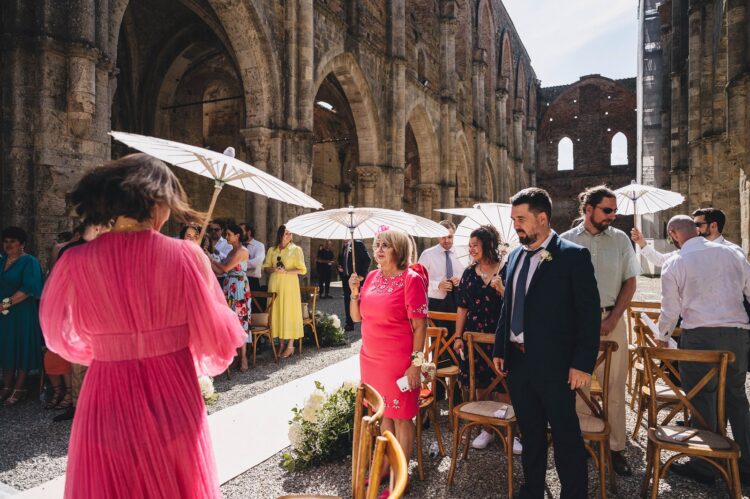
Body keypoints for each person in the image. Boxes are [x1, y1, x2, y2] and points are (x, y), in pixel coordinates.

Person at [39, 153, 246, 498]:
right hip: (171, 388)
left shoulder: (74, 261)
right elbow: (220, 340)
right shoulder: (186, 256)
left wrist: (111, 347)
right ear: (156, 203)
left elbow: (61, 335)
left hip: (106, 387)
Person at [493, 187, 601, 499]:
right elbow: (508, 306)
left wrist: (582, 363)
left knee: (566, 436)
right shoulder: (513, 256)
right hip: (518, 362)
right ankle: (532, 491)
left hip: (556, 365)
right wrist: (500, 348)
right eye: (514, 219)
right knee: (531, 434)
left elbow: (588, 315)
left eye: (521, 219)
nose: (516, 225)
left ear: (542, 218)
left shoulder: (573, 256)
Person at [655, 215, 750, 484]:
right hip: (736, 334)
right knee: (736, 397)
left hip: (699, 336)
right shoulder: (732, 252)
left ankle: (707, 464)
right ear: (695, 230)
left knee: (701, 398)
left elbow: (670, 309)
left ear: (673, 234)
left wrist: (662, 337)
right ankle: (746, 464)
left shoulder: (675, 261)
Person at [561, 185, 640, 476]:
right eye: (608, 210)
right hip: (575, 325)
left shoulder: (620, 240)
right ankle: (582, 442)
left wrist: (612, 319)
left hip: (612, 320)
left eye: (615, 211)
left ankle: (616, 448)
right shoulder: (565, 241)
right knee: (577, 384)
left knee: (614, 384)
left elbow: (630, 282)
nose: (613, 216)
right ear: (588, 209)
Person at [348, 228, 429, 491]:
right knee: (384, 414)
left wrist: (416, 364)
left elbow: (420, 326)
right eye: (377, 245)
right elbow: (358, 317)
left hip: (398, 361)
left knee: (402, 417)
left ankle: (400, 473)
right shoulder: (371, 277)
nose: (379, 250)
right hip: (371, 358)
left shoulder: (411, 279)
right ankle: (384, 466)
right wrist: (354, 292)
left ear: (399, 250)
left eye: (385, 245)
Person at [450, 225, 521, 454]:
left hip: (500, 336)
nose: (471, 249)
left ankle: (509, 430)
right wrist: (458, 336)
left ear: (489, 245)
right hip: (474, 337)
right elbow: (462, 307)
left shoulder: (507, 270)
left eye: (475, 245)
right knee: (480, 382)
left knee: (504, 383)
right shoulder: (469, 273)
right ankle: (487, 429)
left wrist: (503, 290)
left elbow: (518, 306)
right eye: (470, 246)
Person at [51, 219, 111, 422]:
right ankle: (78, 405)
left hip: (103, 313)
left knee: (100, 362)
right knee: (78, 362)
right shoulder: (72, 251)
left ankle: (98, 405)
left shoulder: (109, 250)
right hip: (80, 311)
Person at [0, 227, 44, 406]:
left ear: (22, 244)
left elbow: (28, 289)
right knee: (7, 346)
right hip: (4, 313)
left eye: (13, 241)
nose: (8, 244)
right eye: (5, 241)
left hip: (22, 311)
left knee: (22, 345)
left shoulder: (29, 262)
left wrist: (4, 304)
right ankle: (6, 385)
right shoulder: (2, 260)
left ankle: (20, 387)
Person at [631, 207, 744, 267]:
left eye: (698, 225)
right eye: (693, 225)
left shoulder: (733, 252)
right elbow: (661, 260)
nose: (695, 228)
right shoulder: (688, 250)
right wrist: (642, 243)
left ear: (713, 226)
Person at [211, 224, 251, 371]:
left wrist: (210, 258)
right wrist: (207, 260)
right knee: (230, 322)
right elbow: (220, 271)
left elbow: (224, 268)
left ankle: (244, 357)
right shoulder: (231, 252)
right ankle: (234, 356)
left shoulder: (242, 251)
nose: (226, 237)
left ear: (237, 235)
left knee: (241, 321)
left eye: (228, 234)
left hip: (239, 287)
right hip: (229, 286)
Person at [263, 225, 307, 358]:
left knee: (289, 312)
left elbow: (302, 269)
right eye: (286, 233)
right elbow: (265, 267)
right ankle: (281, 344)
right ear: (280, 235)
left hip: (290, 286)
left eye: (290, 233)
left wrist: (286, 271)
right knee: (277, 312)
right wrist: (274, 269)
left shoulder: (296, 250)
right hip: (275, 285)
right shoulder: (272, 250)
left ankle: (290, 345)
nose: (289, 236)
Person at [418, 220, 465, 335]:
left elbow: (470, 275)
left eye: (450, 237)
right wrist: (437, 285)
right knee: (437, 340)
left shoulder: (464, 252)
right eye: (443, 237)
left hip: (459, 302)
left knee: (457, 338)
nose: (447, 240)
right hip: (436, 302)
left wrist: (460, 280)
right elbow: (418, 281)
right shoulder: (427, 254)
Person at [338, 239, 371, 331]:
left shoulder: (357, 243)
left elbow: (367, 259)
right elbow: (343, 260)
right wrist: (341, 268)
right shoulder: (345, 245)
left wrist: (362, 275)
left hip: (356, 279)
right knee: (347, 299)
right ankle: (349, 322)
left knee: (359, 299)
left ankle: (364, 321)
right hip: (346, 278)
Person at [243, 224, 265, 295]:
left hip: (252, 281)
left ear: (248, 232)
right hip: (238, 280)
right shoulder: (238, 245)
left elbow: (256, 263)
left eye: (241, 231)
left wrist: (239, 265)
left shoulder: (259, 245)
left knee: (253, 305)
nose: (238, 234)